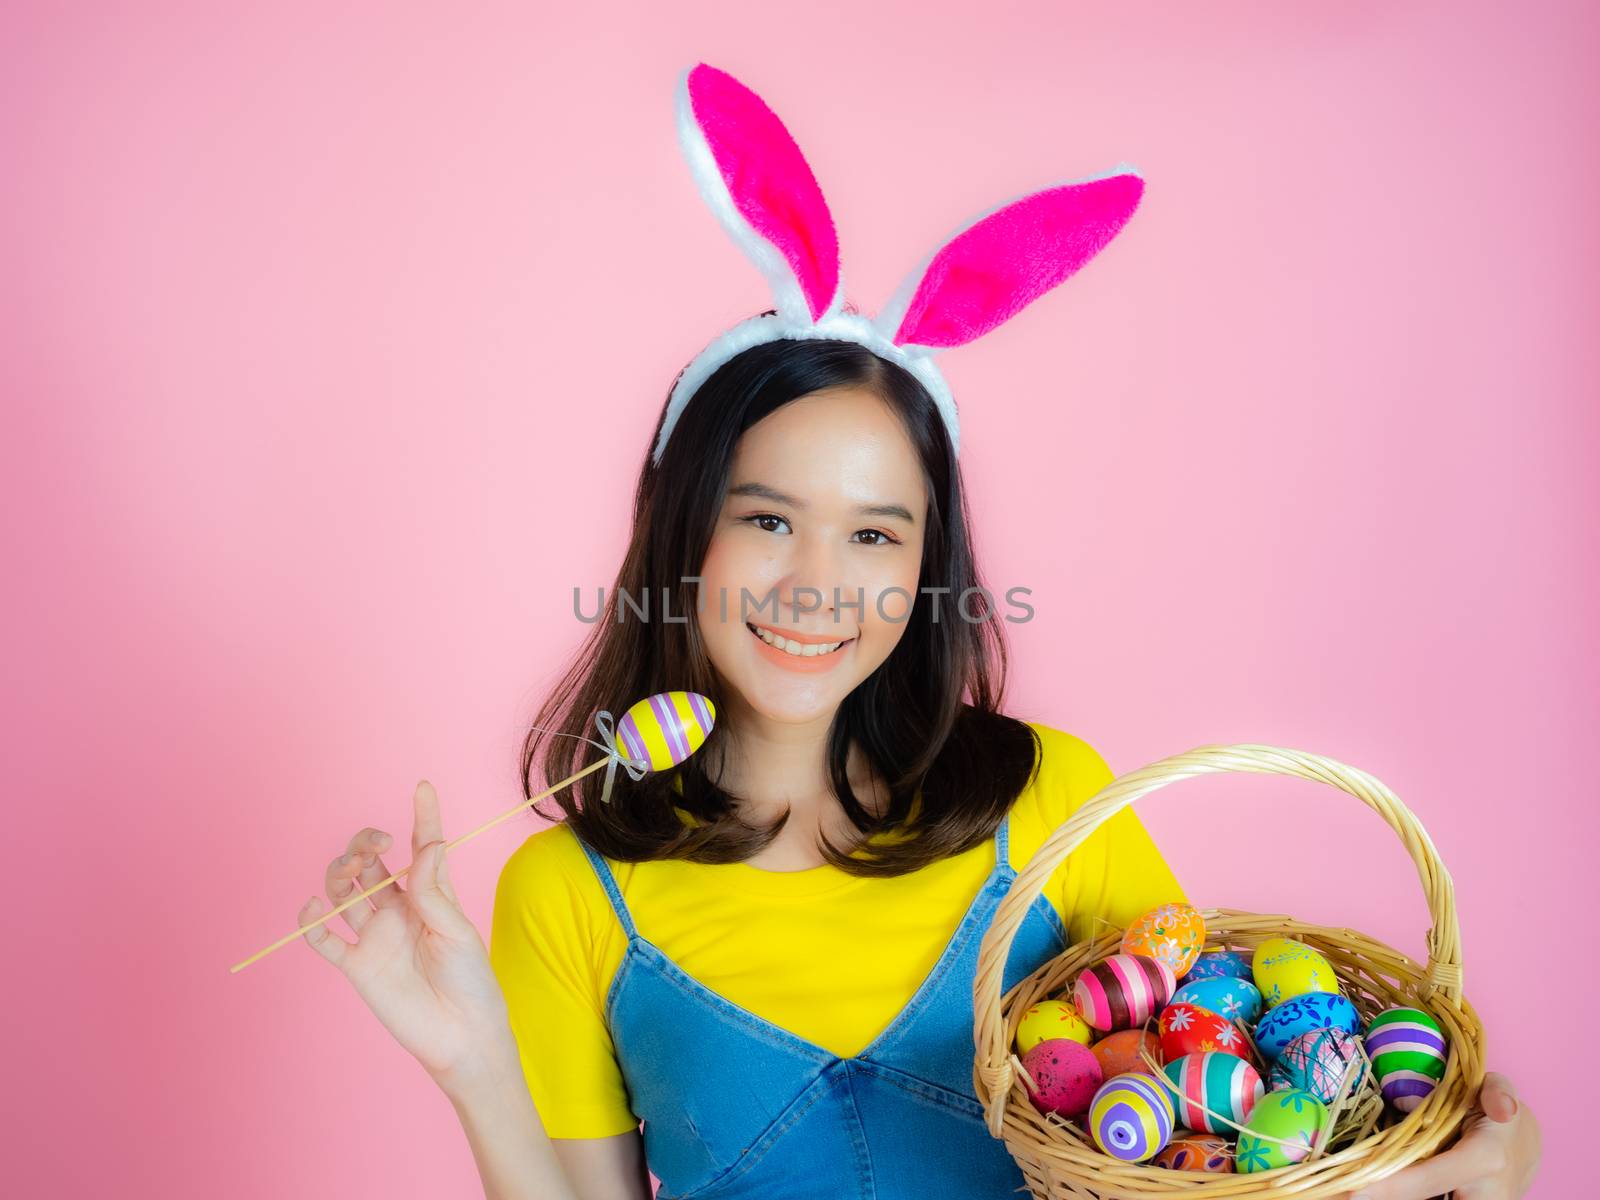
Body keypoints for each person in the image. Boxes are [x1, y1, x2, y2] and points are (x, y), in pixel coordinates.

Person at [297, 62, 1541, 1200]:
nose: (817, 584)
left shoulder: (1056, 804)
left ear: (925, 571)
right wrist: (470, 1061)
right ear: (682, 534)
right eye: (768, 519)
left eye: (876, 536)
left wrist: (1469, 1161)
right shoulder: (562, 895)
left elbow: (1225, 1118)